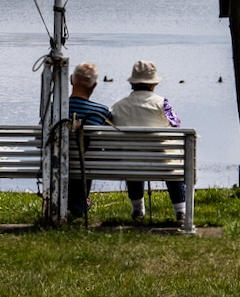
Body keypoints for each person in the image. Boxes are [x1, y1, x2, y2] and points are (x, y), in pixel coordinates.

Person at [110, 59, 187, 226]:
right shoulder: (163, 104)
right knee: (170, 159)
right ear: (153, 84)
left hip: (129, 163)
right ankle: (180, 211)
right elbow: (177, 125)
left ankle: (137, 209)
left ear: (133, 84)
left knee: (132, 155)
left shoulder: (118, 105)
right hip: (162, 162)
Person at [65, 63, 112, 217]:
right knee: (87, 155)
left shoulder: (55, 108)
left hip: (58, 163)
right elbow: (109, 144)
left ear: (72, 80)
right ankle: (79, 204)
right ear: (94, 86)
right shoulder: (101, 112)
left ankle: (69, 202)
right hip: (87, 164)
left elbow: (41, 137)